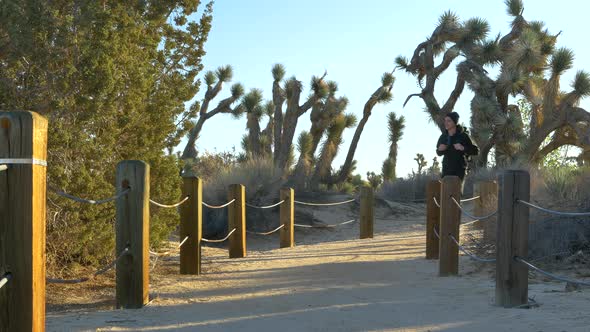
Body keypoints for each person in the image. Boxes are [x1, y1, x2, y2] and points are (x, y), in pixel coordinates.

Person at [436, 112, 479, 182]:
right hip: (446, 169)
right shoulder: (443, 136)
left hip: (460, 169)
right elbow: (438, 153)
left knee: (456, 191)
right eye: (445, 120)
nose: (446, 123)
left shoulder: (463, 136)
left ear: (455, 122)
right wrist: (439, 150)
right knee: (446, 191)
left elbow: (476, 151)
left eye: (449, 121)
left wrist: (463, 148)